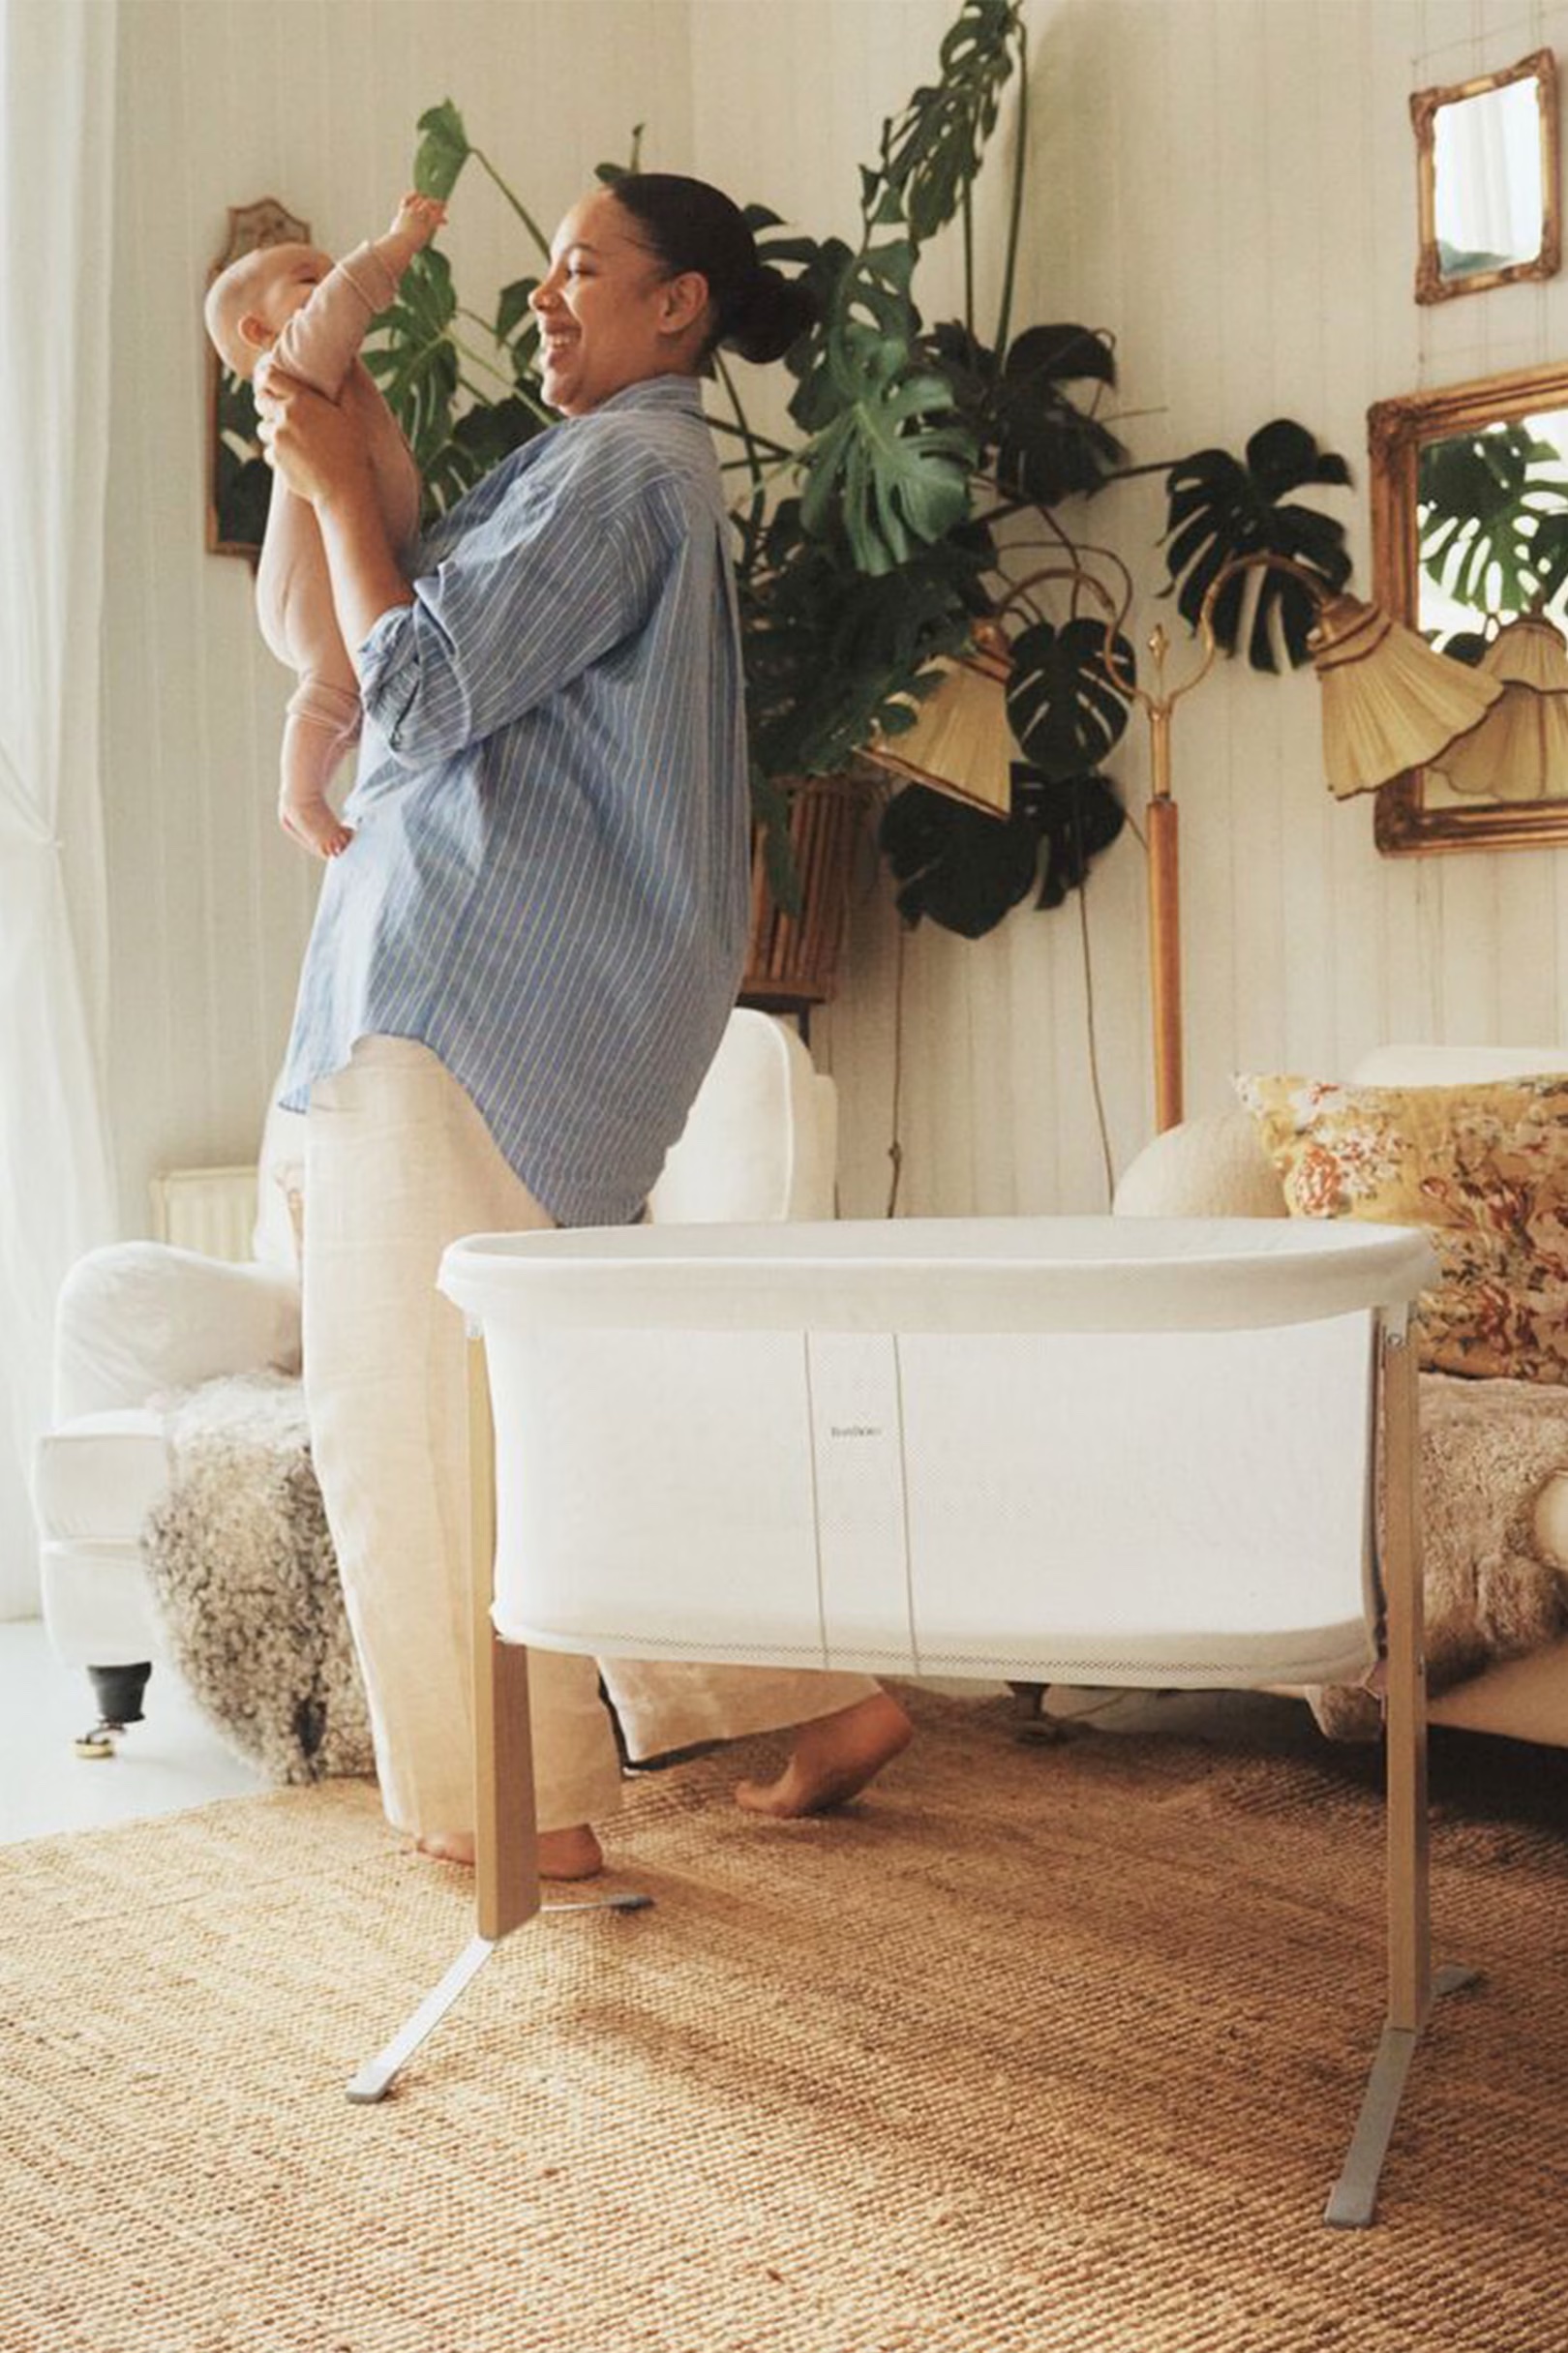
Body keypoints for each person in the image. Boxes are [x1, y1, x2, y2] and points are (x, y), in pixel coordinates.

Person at [256, 173, 915, 1880]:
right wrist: (345, 461)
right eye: (544, 267)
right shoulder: (604, 467)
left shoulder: (630, 467)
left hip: (470, 996)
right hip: (491, 993)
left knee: (408, 1414)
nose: (545, 294)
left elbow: (419, 689)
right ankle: (816, 1694)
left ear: (677, 306)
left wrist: (334, 480)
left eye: (580, 267)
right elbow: (414, 642)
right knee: (556, 1411)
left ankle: (518, 1815)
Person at [205, 193, 445, 859]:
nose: (332, 274)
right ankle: (300, 796)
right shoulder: (290, 367)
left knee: (355, 692)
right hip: (304, 578)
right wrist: (403, 238)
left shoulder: (327, 380)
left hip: (318, 569)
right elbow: (345, 301)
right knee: (336, 674)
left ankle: (326, 781)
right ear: (260, 331)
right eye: (310, 277)